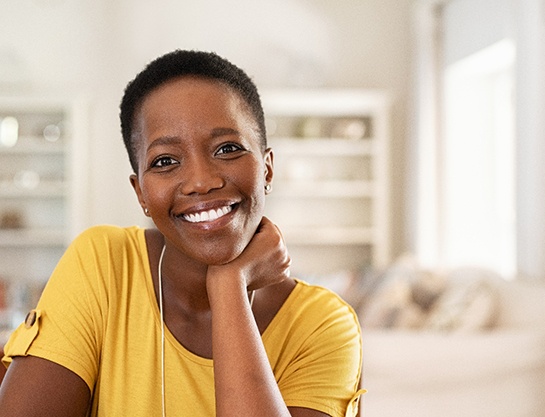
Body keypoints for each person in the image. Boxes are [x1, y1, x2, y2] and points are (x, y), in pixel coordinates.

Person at [0, 50, 364, 417]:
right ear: (140, 191)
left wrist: (228, 287)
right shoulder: (104, 263)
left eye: (228, 149)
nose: (202, 182)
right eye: (165, 161)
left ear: (267, 170)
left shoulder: (323, 325)